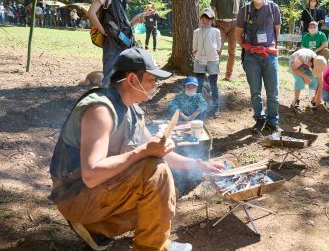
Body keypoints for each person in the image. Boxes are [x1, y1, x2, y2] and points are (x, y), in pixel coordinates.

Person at [49, 48, 223, 251]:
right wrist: (142, 153)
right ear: (132, 79)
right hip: (75, 196)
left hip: (93, 194)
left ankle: (97, 229)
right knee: (156, 171)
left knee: (164, 191)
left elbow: (164, 154)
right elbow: (91, 174)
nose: (155, 85)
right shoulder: (101, 111)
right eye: (151, 79)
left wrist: (201, 165)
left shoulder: (131, 110)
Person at [236, 0, 282, 134]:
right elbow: (238, 32)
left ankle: (272, 121)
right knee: (255, 91)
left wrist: (272, 47)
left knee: (273, 92)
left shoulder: (273, 7)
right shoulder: (245, 10)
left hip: (269, 55)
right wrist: (246, 47)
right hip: (251, 56)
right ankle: (259, 119)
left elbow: (277, 30)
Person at [88, 0, 136, 86]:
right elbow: (91, 12)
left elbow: (122, 25)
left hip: (125, 43)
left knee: (124, 76)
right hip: (112, 44)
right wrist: (102, 30)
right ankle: (106, 98)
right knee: (109, 76)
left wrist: (134, 22)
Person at [210, 0, 244, 81]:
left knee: (232, 52)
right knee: (217, 50)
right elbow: (212, 10)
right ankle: (214, 73)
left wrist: (242, 25)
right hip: (220, 24)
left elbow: (242, 10)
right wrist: (213, 23)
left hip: (235, 25)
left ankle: (228, 75)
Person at [192, 7, 222, 118]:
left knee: (213, 84)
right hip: (199, 60)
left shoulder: (216, 31)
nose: (205, 22)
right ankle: (198, 108)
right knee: (198, 84)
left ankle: (216, 107)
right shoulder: (196, 32)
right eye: (203, 19)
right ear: (200, 19)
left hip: (213, 59)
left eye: (208, 20)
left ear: (212, 20)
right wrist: (195, 51)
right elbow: (194, 45)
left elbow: (219, 45)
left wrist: (217, 51)